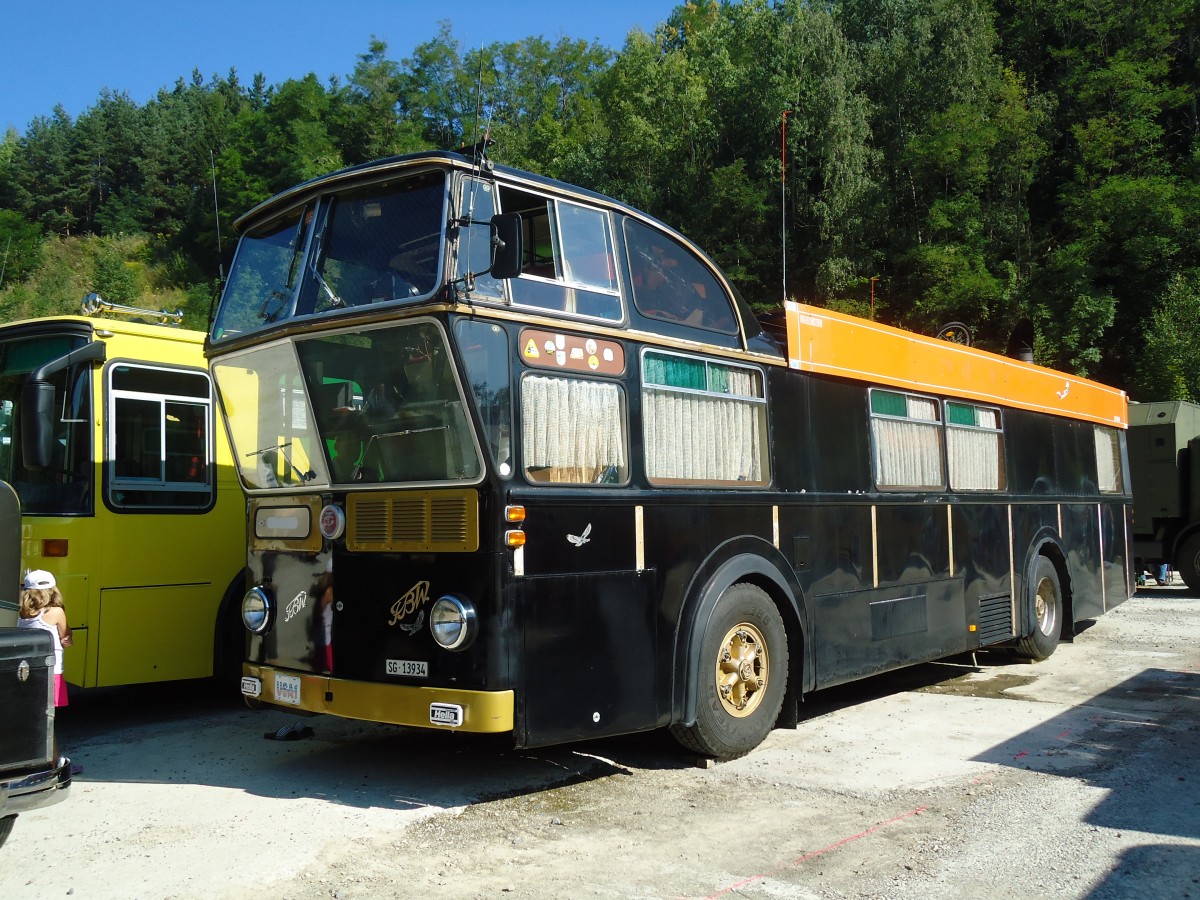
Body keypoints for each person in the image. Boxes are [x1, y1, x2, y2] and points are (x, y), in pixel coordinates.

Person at [18, 569, 72, 708]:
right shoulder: (56, 612)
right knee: (47, 710)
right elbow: (65, 637)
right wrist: (69, 637)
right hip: (51, 668)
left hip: (29, 665)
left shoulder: (22, 612)